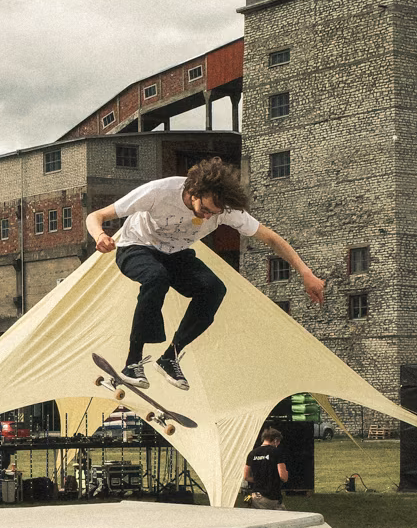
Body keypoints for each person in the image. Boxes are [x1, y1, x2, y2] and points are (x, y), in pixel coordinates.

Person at [85, 157, 325, 390]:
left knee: (213, 288)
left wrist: (305, 272)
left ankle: (170, 357)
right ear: (193, 192)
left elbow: (270, 238)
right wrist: (100, 236)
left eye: (214, 214)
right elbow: (96, 216)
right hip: (136, 247)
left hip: (175, 255)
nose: (208, 216)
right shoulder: (159, 192)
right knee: (156, 277)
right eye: (205, 209)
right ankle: (132, 362)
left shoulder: (224, 209)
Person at [243, 427, 290, 510]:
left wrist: (259, 480)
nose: (278, 444)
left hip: (256, 496)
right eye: (278, 441)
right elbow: (283, 477)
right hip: (272, 496)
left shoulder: (252, 453)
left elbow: (246, 476)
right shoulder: (276, 452)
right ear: (275, 440)